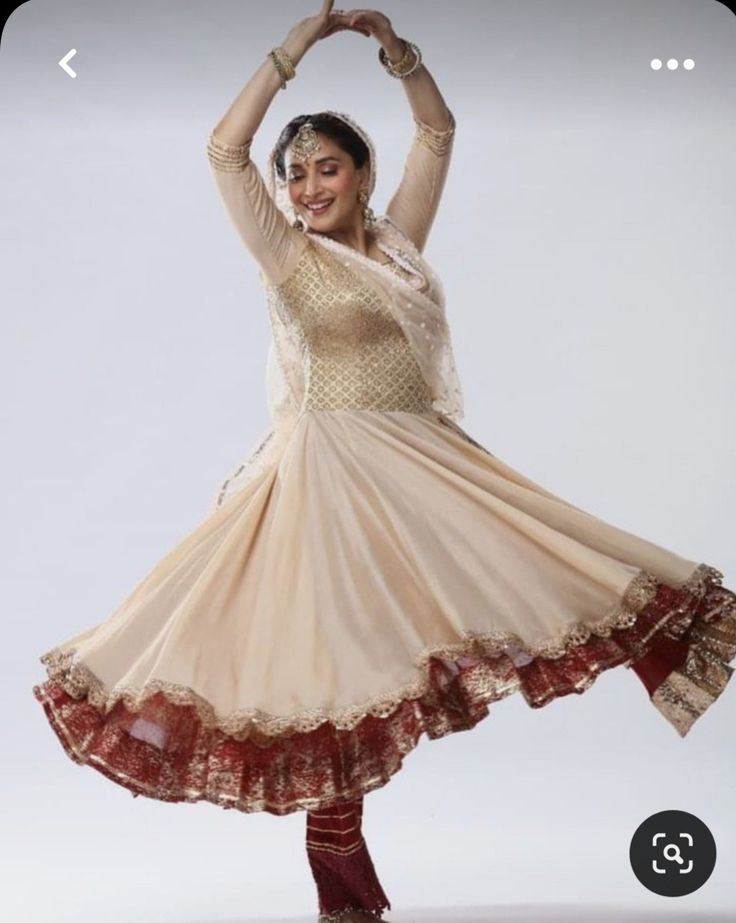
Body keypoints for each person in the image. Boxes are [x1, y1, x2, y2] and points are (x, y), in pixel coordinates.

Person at [32, 3, 736, 922]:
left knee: (556, 557)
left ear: (362, 176)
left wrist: (392, 50)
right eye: (296, 175)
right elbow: (221, 152)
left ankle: (669, 643)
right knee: (332, 682)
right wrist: (295, 49)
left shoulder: (397, 249)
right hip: (325, 489)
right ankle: (346, 899)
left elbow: (437, 131)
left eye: (328, 168)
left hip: (418, 470)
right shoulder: (288, 256)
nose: (309, 186)